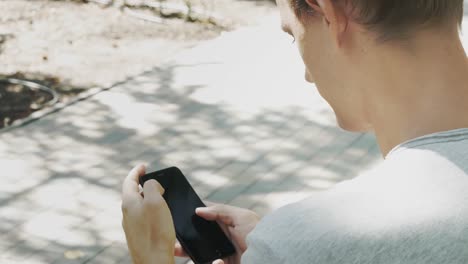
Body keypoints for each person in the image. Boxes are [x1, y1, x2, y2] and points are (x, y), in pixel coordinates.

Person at [121, 0, 468, 263]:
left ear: (328, 12)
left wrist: (152, 256)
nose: (307, 74)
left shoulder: (310, 243)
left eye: (292, 35)